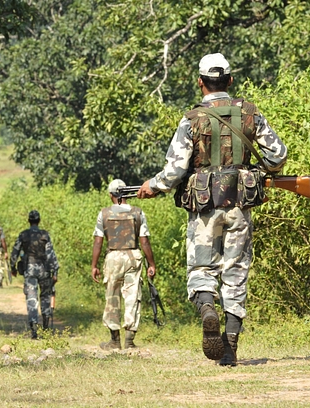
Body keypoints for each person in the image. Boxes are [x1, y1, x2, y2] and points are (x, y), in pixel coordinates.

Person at [136, 53, 288, 366]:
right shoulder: (249, 113)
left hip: (204, 209)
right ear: (230, 80)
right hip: (239, 207)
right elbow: (278, 156)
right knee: (236, 274)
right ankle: (229, 351)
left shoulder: (191, 119)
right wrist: (255, 172)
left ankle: (207, 308)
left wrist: (154, 185)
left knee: (201, 270)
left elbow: (176, 170)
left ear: (200, 82)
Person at [91, 179, 157, 350]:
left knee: (112, 296)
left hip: (113, 256)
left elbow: (98, 242)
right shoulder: (137, 213)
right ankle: (129, 340)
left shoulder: (104, 214)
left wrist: (94, 265)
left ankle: (114, 340)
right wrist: (151, 264)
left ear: (111, 195)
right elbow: (144, 241)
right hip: (133, 256)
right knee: (133, 296)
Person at [10, 210, 59, 339]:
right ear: (39, 220)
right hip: (44, 269)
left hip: (30, 269)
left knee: (32, 297)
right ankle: (46, 327)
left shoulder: (23, 235)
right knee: (45, 297)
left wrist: (12, 267)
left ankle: (34, 329)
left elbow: (15, 252)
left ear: (29, 220)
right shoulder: (44, 235)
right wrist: (55, 270)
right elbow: (50, 254)